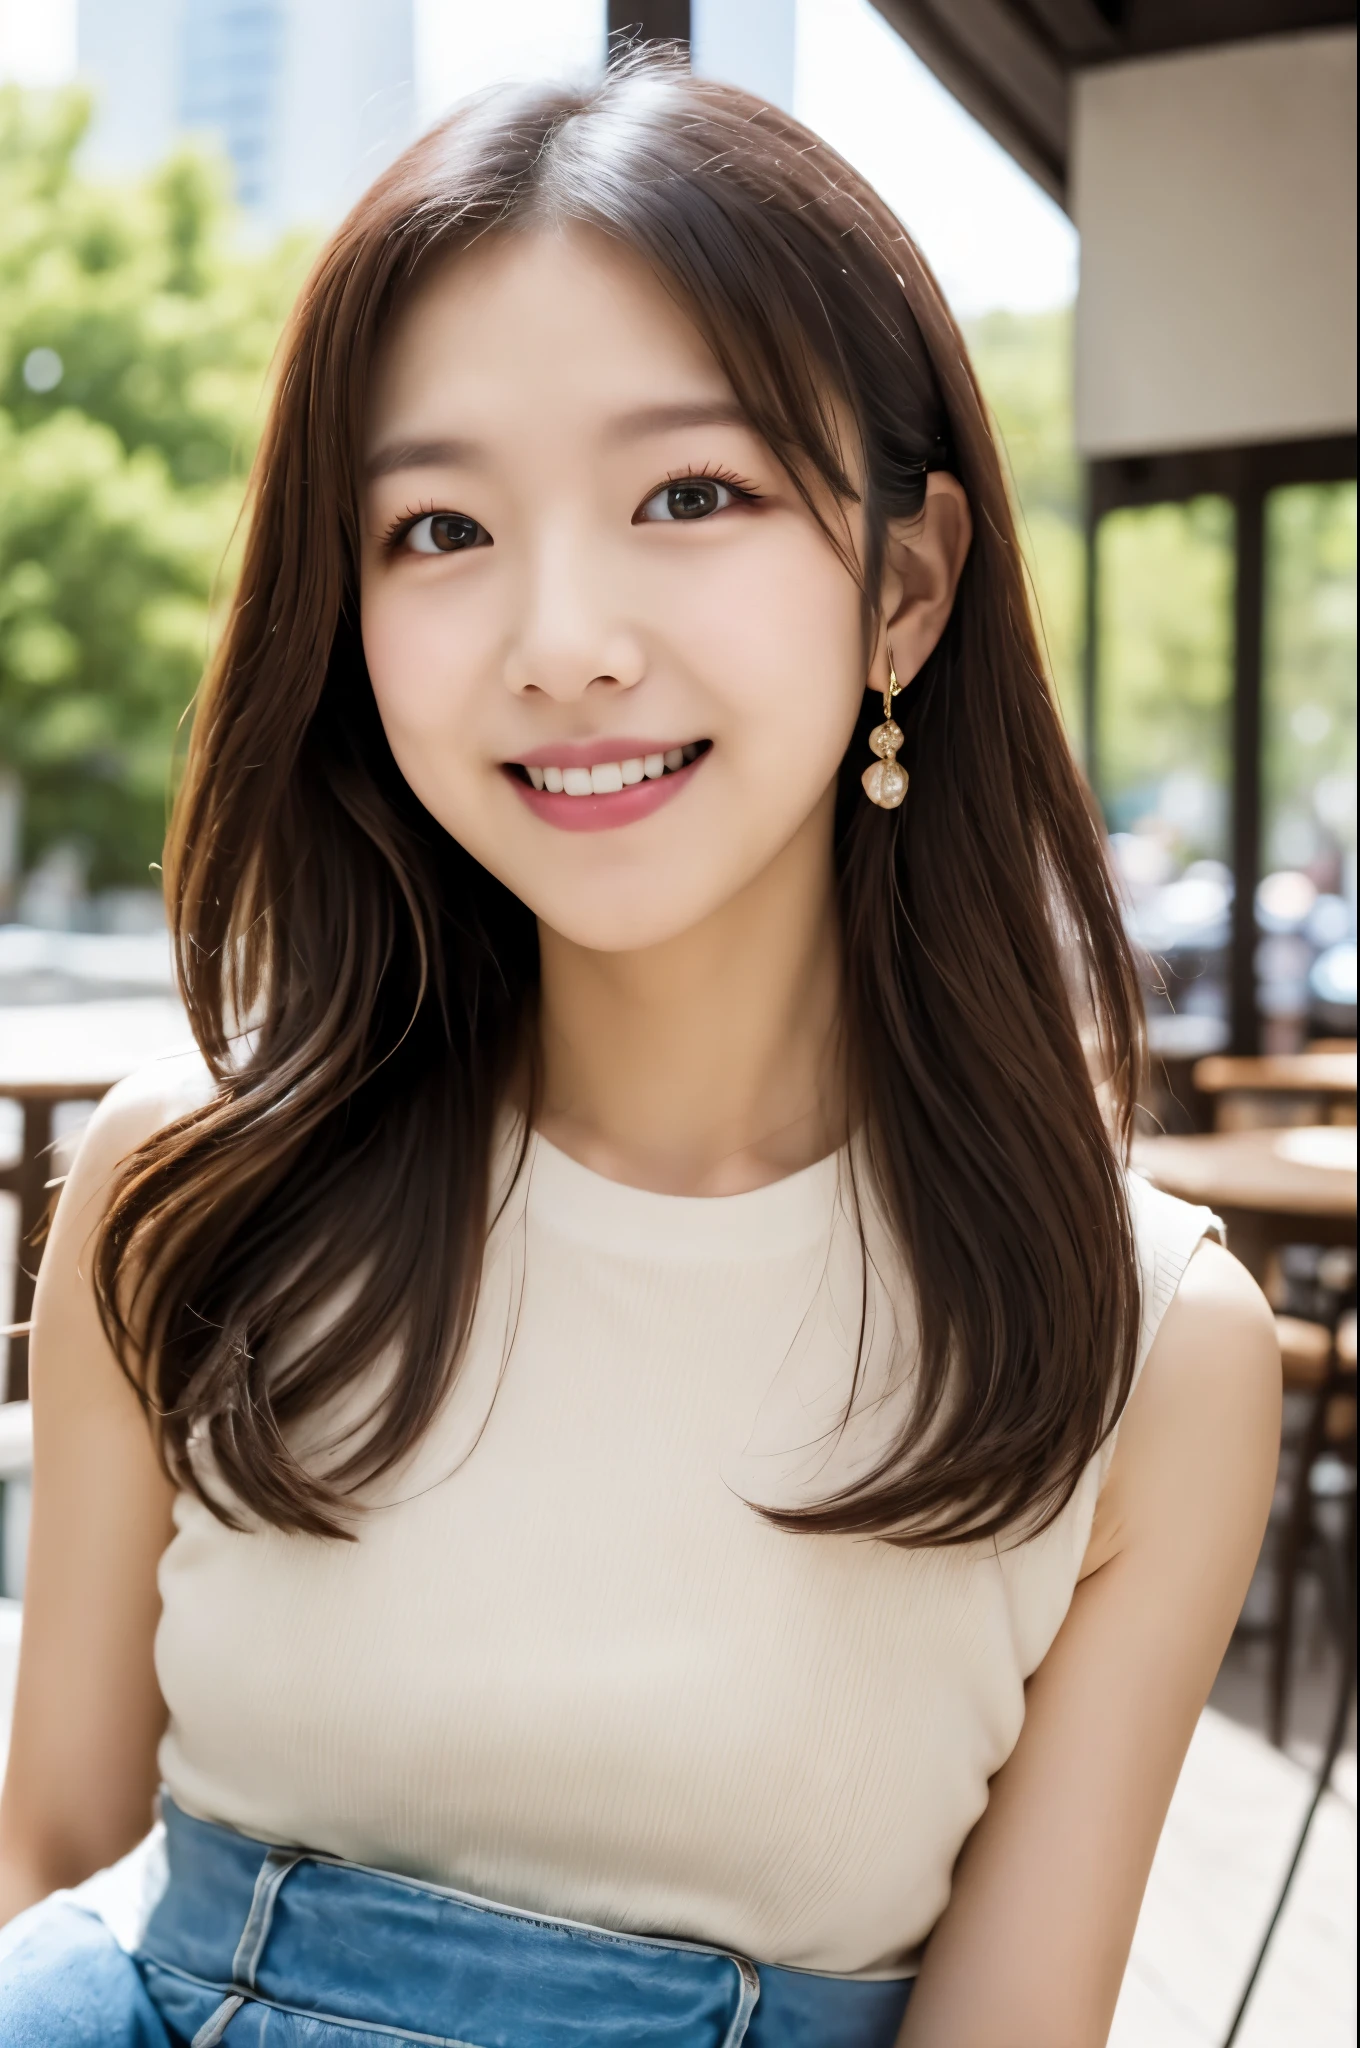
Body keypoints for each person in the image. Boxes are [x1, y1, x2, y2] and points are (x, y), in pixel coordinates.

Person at [0, 54, 1279, 2048]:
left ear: (905, 586)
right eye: (435, 528)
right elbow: (57, 1860)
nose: (559, 636)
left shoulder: (1137, 1344)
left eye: (689, 492)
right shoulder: (186, 1189)